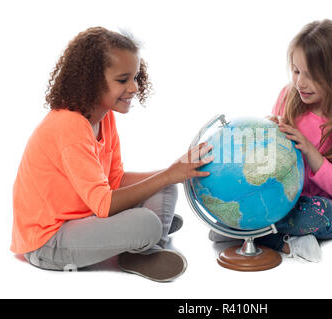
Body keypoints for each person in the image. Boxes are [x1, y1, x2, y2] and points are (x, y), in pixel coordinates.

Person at [11, 27, 213, 282]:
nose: (134, 87)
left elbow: (114, 179)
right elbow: (104, 205)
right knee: (147, 222)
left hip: (85, 218)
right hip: (48, 243)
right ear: (91, 81)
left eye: (136, 77)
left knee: (166, 189)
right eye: (122, 80)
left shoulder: (104, 117)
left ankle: (140, 247)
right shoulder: (69, 125)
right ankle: (146, 238)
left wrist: (172, 174)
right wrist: (168, 174)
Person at [209, 19, 332, 262]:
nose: (300, 83)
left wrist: (309, 150)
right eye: (296, 71)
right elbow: (272, 166)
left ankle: (245, 232)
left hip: (326, 208)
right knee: (248, 197)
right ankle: (265, 235)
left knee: (318, 213)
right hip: (282, 201)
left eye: (311, 76)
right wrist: (269, 137)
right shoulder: (289, 96)